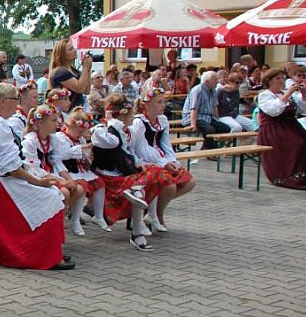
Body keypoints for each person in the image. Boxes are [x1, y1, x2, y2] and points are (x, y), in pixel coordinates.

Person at [0, 83, 72, 270]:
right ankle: (46, 255)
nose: (17, 104)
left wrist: (37, 177)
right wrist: (38, 181)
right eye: (14, 99)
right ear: (2, 101)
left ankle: (50, 250)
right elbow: (10, 167)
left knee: (53, 193)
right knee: (51, 196)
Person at [90, 94, 160, 251]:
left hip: (122, 173)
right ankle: (137, 234)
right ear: (121, 117)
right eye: (130, 116)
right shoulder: (100, 130)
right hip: (106, 177)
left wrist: (137, 162)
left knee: (154, 172)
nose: (132, 119)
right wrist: (113, 123)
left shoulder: (124, 131)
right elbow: (113, 143)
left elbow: (127, 151)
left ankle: (138, 229)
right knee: (138, 192)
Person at [131, 88, 197, 231]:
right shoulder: (139, 122)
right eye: (159, 102)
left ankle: (153, 210)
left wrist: (172, 161)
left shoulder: (162, 120)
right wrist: (164, 163)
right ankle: (157, 215)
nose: (163, 105)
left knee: (189, 181)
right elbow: (143, 149)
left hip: (161, 160)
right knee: (169, 186)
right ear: (147, 104)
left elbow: (166, 144)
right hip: (145, 161)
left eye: (164, 102)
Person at [22, 104, 85, 236]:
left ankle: (58, 224)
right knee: (64, 193)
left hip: (50, 174)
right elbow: (32, 168)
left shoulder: (53, 139)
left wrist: (68, 178)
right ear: (40, 123)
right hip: (36, 177)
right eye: (53, 120)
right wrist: (58, 180)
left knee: (78, 189)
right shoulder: (30, 141)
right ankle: (54, 230)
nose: (58, 123)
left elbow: (57, 161)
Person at [51, 107, 110, 232]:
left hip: (80, 170)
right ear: (69, 126)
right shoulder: (60, 137)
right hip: (66, 170)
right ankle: (75, 219)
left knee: (99, 183)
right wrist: (81, 149)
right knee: (82, 186)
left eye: (83, 132)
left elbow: (83, 157)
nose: (81, 134)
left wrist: (87, 159)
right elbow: (63, 154)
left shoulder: (80, 139)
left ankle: (98, 215)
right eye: (79, 131)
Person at [257, 69, 306, 190]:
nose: (281, 81)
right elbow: (273, 111)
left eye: (282, 78)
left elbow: (305, 110)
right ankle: (290, 177)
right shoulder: (264, 95)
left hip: (291, 126)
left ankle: (305, 175)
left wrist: (304, 94)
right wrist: (288, 93)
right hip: (273, 129)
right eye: (278, 78)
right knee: (297, 144)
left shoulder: (287, 93)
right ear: (269, 81)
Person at [189, 71, 231, 149]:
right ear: (206, 81)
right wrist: (193, 124)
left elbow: (215, 107)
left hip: (209, 117)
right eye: (215, 80)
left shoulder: (213, 90)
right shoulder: (197, 90)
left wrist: (218, 120)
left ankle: (209, 146)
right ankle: (209, 149)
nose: (217, 81)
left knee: (225, 128)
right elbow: (194, 109)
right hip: (197, 117)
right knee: (210, 130)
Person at [48, 40, 92, 109]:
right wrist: (86, 67)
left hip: (78, 110)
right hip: (66, 111)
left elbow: (86, 91)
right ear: (62, 54)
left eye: (73, 48)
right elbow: (80, 88)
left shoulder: (75, 71)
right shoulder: (60, 72)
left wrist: (88, 69)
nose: (75, 50)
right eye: (70, 49)